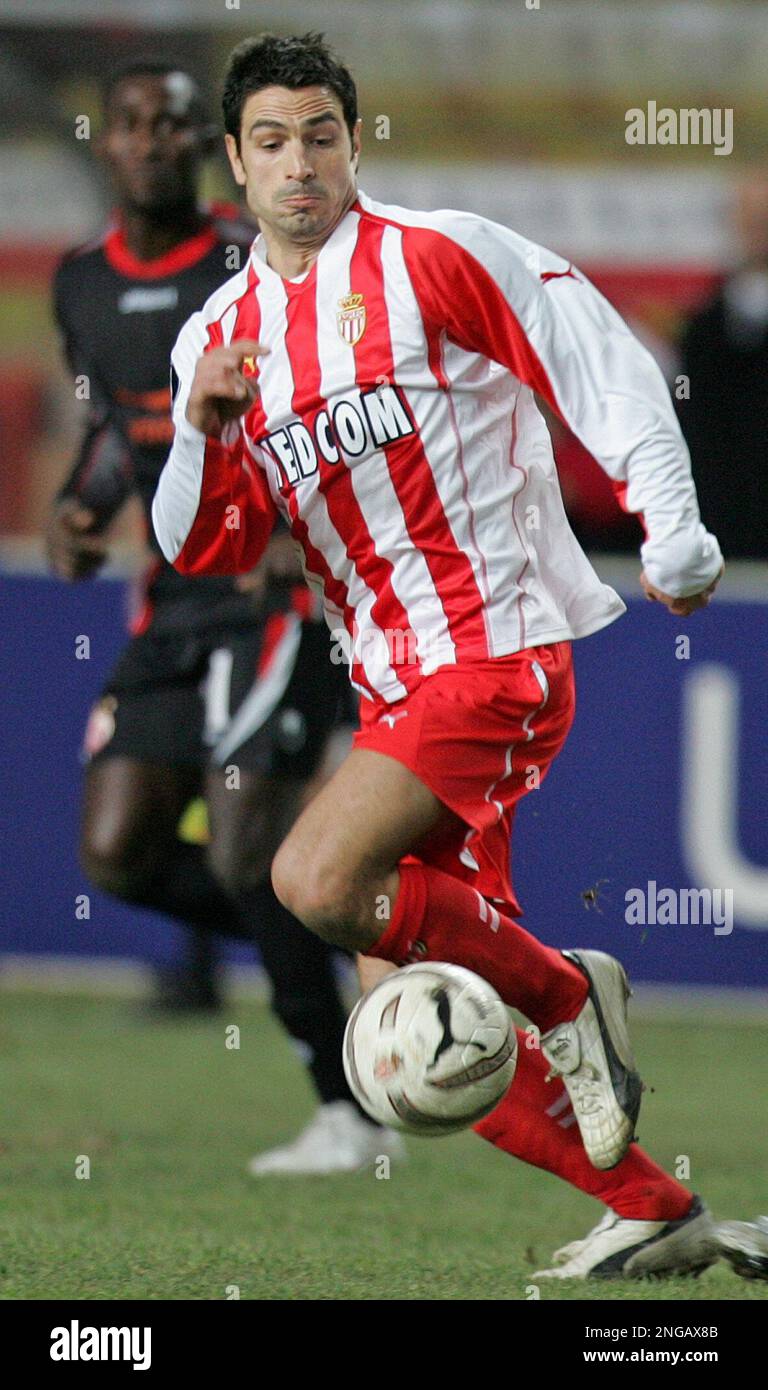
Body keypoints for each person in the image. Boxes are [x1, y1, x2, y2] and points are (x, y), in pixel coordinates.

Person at [152, 31, 765, 1281]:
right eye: (271, 142)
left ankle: (565, 993)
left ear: (354, 140)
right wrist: (200, 435)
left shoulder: (439, 255)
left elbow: (598, 357)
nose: (300, 165)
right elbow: (206, 546)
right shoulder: (224, 339)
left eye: (320, 135)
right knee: (412, 1036)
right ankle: (653, 1202)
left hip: (496, 651)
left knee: (312, 876)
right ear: (236, 161)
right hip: (390, 684)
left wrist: (673, 520)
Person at [47, 56, 403, 1176]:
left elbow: (327, 402)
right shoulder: (78, 282)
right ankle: (349, 931)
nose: (153, 139)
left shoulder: (247, 260)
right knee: (119, 852)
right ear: (106, 143)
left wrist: (299, 531)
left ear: (203, 144)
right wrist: (83, 500)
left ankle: (348, 1102)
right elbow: (122, 424)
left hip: (270, 595)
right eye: (131, 123)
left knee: (253, 849)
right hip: (171, 606)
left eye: (172, 123)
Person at [676, 174, 768, 558]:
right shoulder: (703, 329)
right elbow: (692, 424)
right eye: (751, 217)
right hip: (723, 534)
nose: (760, 229)